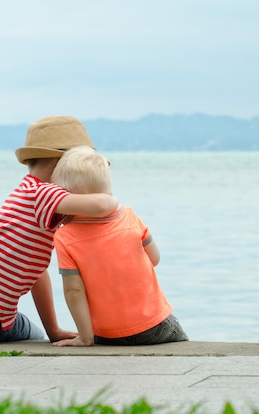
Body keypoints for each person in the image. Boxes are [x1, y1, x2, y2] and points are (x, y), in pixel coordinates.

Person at [0, 116, 119, 343]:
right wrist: (115, 202)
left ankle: (45, 331)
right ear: (63, 164)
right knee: (34, 337)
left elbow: (36, 272)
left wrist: (55, 331)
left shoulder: (27, 194)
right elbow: (101, 205)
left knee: (36, 332)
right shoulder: (44, 194)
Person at [50, 146, 188, 346]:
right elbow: (155, 259)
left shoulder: (64, 236)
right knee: (177, 333)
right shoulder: (130, 216)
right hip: (154, 326)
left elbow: (74, 291)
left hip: (106, 334)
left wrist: (85, 337)